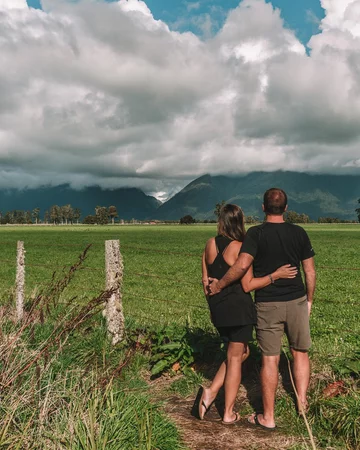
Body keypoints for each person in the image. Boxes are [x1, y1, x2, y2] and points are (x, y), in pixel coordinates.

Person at [208, 189, 316, 430]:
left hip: (267, 304)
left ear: (263, 208)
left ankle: (268, 416)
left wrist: (220, 284)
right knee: (300, 352)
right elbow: (310, 271)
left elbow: (242, 265)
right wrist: (309, 300)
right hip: (297, 300)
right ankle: (303, 403)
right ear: (286, 208)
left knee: (270, 360)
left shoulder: (256, 234)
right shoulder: (299, 232)